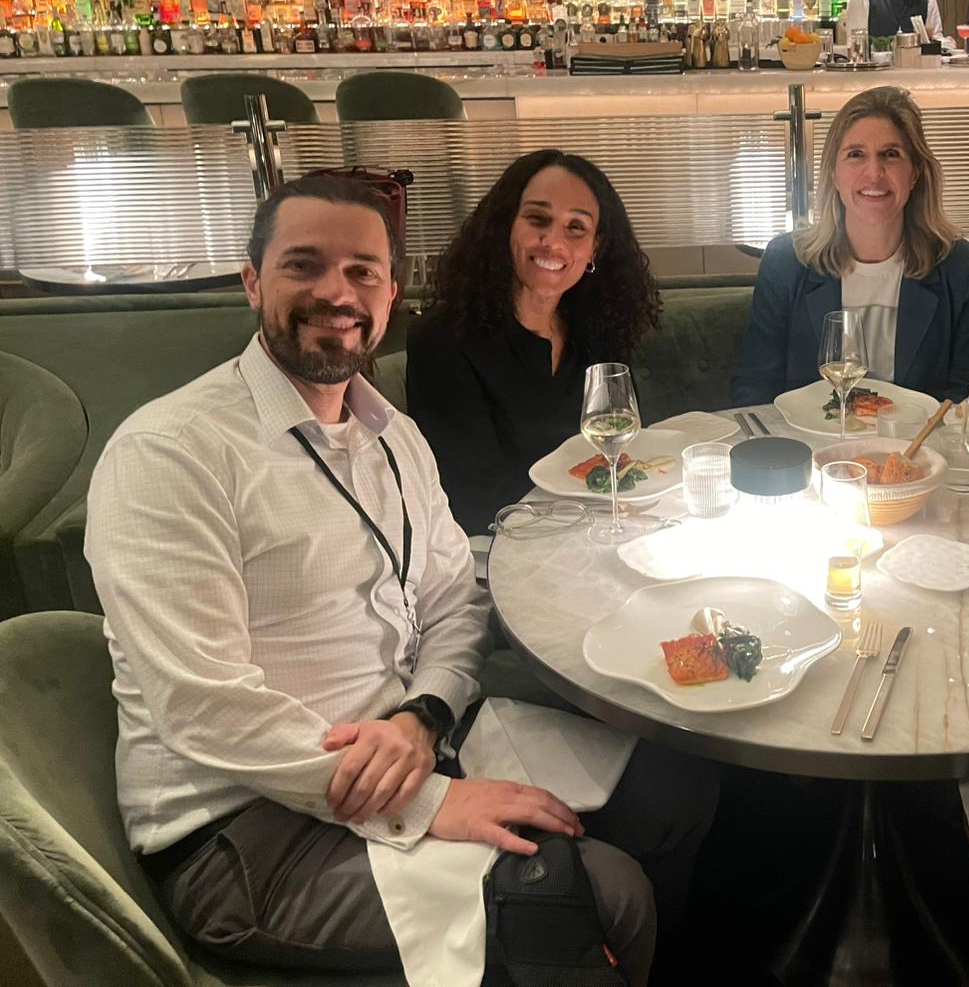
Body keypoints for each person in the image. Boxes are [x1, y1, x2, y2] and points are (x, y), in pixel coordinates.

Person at [85, 172, 712, 983]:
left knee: (677, 786)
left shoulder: (391, 436)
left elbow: (454, 604)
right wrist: (429, 803)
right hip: (248, 825)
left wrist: (423, 714)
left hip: (412, 745)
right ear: (252, 282)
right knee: (605, 894)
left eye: (362, 273)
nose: (335, 293)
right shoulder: (171, 453)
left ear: (389, 294)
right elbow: (201, 705)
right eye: (303, 266)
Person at [407, 149, 661, 534]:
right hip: (499, 551)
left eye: (576, 227)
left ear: (594, 248)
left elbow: (621, 459)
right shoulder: (442, 342)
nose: (552, 242)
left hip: (596, 536)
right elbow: (473, 502)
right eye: (537, 219)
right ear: (505, 226)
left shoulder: (596, 328)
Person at [731, 85, 969, 406]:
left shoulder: (959, 267)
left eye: (890, 154)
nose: (874, 173)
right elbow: (754, 394)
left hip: (921, 453)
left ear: (914, 174)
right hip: (810, 452)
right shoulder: (785, 264)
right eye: (856, 154)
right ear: (834, 173)